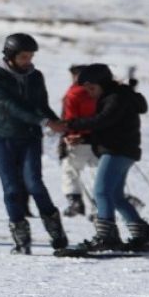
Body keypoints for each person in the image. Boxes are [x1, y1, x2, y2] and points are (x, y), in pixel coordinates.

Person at [0, 33, 69, 255]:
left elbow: (41, 105)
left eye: (30, 56)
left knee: (35, 185)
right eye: (23, 56)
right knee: (12, 189)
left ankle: (57, 234)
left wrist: (57, 123)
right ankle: (22, 239)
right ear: (10, 56)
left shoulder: (35, 76)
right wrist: (44, 121)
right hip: (2, 137)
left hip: (30, 137)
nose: (28, 61)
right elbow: (8, 105)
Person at [64, 64, 149, 252]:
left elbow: (103, 121)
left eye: (91, 88)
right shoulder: (114, 96)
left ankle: (107, 237)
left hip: (117, 150)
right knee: (115, 196)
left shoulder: (116, 97)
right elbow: (109, 128)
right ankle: (143, 236)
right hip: (121, 149)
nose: (89, 93)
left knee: (101, 192)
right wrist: (85, 138)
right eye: (86, 89)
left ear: (103, 83)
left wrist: (69, 124)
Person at [59, 64, 96, 217]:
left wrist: (66, 137)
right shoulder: (99, 91)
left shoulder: (74, 93)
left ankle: (75, 201)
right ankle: (98, 207)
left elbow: (69, 117)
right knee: (96, 174)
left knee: (70, 171)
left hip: (77, 139)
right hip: (99, 139)